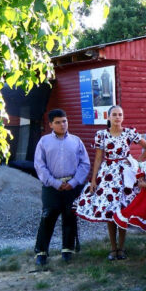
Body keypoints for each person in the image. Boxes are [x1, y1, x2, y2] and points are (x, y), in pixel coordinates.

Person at [75, 105, 146, 261]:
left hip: (125, 175)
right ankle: (113, 248)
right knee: (110, 210)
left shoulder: (129, 132)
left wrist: (139, 163)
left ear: (123, 117)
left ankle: (122, 247)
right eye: (114, 114)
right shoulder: (102, 135)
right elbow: (99, 158)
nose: (117, 117)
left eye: (120, 114)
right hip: (108, 175)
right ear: (108, 117)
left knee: (123, 210)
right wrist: (93, 179)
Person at [33, 109, 90, 267]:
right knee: (48, 217)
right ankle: (41, 252)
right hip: (52, 187)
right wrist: (55, 183)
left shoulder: (76, 141)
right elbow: (39, 165)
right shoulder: (44, 142)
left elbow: (84, 164)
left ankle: (67, 250)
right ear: (51, 124)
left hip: (72, 186)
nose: (62, 124)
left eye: (64, 121)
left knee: (70, 216)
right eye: (58, 122)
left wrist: (75, 181)